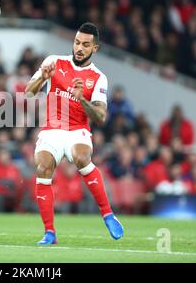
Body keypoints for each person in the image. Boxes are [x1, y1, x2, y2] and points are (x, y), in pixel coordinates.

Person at [25, 22, 124, 245]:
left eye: (85, 44)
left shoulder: (98, 77)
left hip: (77, 130)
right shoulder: (53, 62)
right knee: (42, 167)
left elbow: (100, 116)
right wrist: (43, 77)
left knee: (81, 158)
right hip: (51, 129)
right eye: (77, 42)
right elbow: (29, 92)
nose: (79, 48)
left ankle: (108, 214)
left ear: (94, 49)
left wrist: (82, 99)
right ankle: (49, 233)